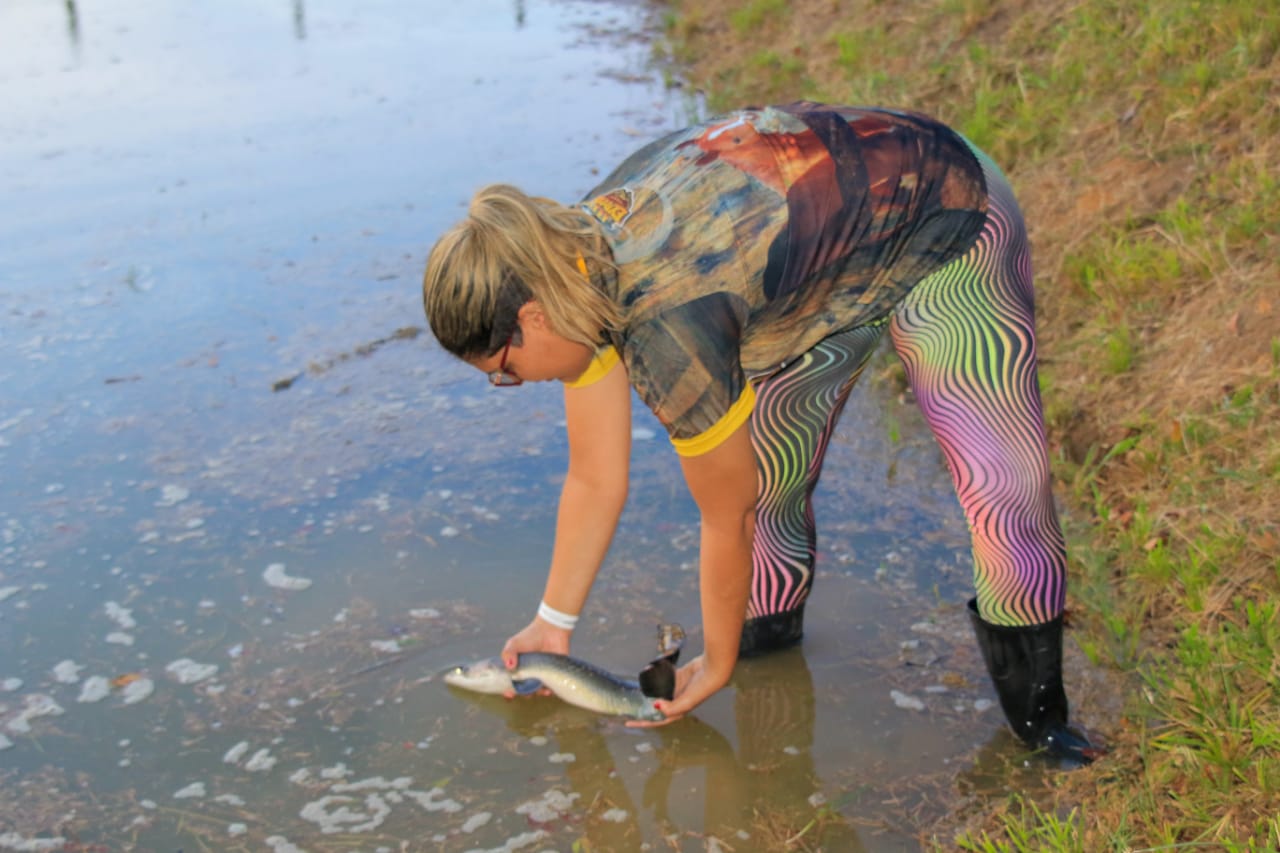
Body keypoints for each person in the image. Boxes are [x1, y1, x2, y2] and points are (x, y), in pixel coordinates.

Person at [421, 101, 1101, 764]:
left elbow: (727, 515)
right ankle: (771, 660)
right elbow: (597, 476)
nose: (514, 383)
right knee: (775, 478)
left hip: (947, 222)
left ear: (532, 318)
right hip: (819, 278)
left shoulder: (667, 324)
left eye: (505, 370)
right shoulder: (569, 263)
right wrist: (552, 625)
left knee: (1003, 491)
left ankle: (1044, 731)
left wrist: (713, 666)